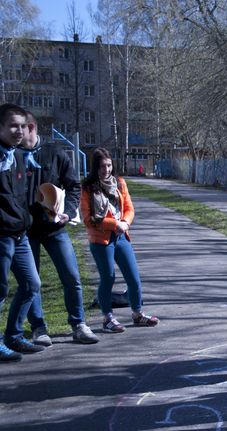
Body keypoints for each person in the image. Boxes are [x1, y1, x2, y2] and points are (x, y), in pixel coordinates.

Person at [13, 112, 99, 345]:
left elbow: (73, 186)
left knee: (71, 276)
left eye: (20, 128)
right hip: (24, 231)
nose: (16, 133)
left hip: (54, 229)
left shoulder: (55, 153)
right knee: (32, 282)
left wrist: (68, 212)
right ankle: (39, 328)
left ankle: (79, 324)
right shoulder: (12, 156)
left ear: (31, 127)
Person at [80, 148, 159, 333]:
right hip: (101, 240)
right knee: (108, 277)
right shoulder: (88, 187)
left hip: (122, 236)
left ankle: (138, 314)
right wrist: (114, 223)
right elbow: (88, 218)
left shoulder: (120, 183)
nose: (106, 170)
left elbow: (129, 208)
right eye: (101, 166)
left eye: (108, 165)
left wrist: (125, 222)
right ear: (95, 168)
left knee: (133, 278)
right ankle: (107, 318)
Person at [0, 103, 43, 362]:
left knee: (31, 285)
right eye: (13, 126)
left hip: (20, 233)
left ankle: (13, 336)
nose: (19, 131)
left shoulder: (16, 155)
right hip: (2, 235)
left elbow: (19, 196)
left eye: (22, 126)